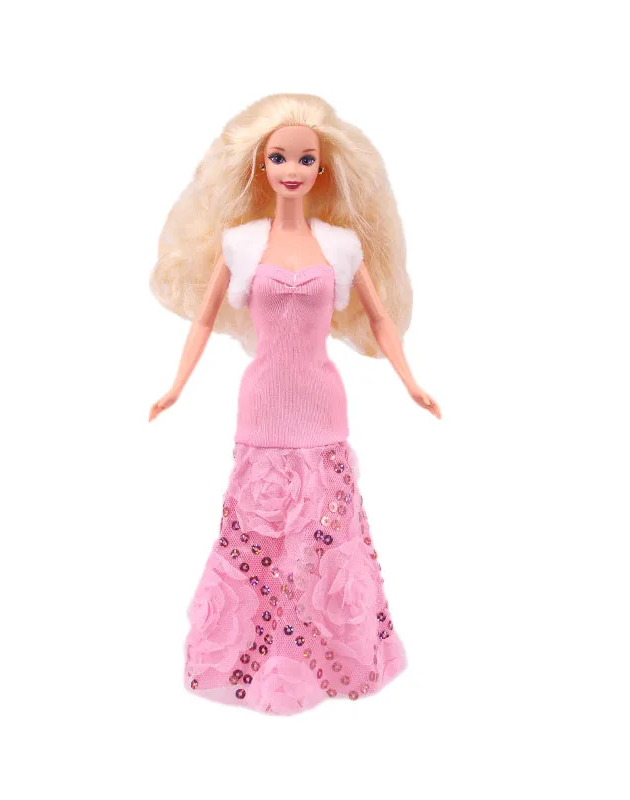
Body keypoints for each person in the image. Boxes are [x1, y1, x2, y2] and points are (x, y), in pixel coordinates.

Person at [149, 93, 441, 715]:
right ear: (260, 164)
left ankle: (328, 658)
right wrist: (175, 386)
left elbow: (381, 318)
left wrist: (410, 380)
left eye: (305, 158)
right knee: (258, 530)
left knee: (324, 532)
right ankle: (257, 661)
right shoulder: (239, 243)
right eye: (279, 156)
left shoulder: (341, 246)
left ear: (322, 168)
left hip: (321, 403)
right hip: (262, 404)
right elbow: (203, 320)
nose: (292, 168)